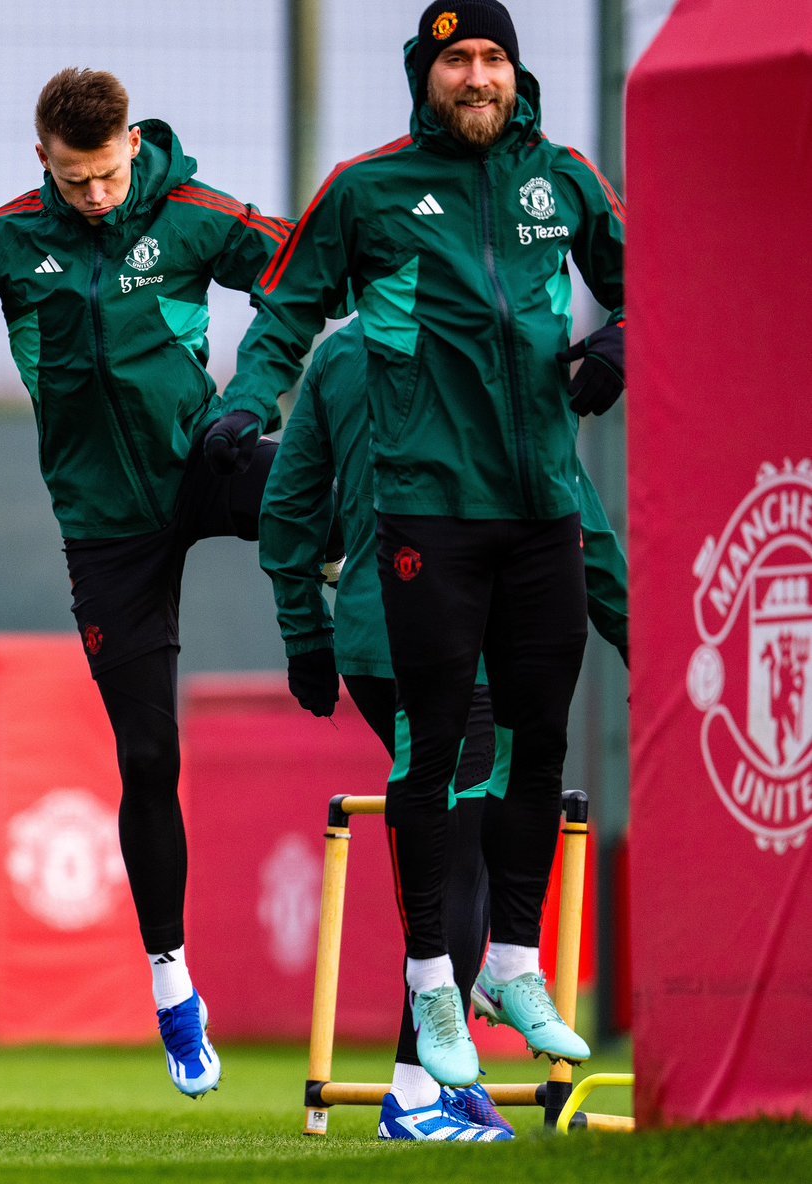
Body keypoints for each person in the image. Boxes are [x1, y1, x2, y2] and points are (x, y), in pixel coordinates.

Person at [0, 67, 297, 1100]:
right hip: (106, 532)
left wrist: (275, 373)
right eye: (74, 179)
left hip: (206, 460)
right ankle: (175, 985)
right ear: (41, 160)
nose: (95, 195)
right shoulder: (7, 240)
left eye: (106, 175)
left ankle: (354, 597)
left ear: (132, 144)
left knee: (330, 491)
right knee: (147, 755)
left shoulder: (190, 213)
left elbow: (299, 268)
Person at [205, 1, 626, 1089]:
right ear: (424, 74)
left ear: (513, 72)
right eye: (456, 61)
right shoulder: (368, 186)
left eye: (491, 57)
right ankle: (434, 974)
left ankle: (513, 967)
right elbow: (287, 312)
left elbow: (652, 281)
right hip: (430, 516)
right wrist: (247, 402)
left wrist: (621, 336)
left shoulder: (565, 179)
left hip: (544, 511)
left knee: (541, 744)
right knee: (434, 752)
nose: (475, 76)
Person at [259, 317, 628, 1142]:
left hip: (374, 634)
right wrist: (638, 641)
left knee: (473, 835)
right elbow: (577, 521)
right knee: (463, 844)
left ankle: (462, 1027)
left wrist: (304, 635)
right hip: (468, 636)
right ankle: (414, 1092)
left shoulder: (343, 353)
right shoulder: (510, 344)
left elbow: (288, 506)